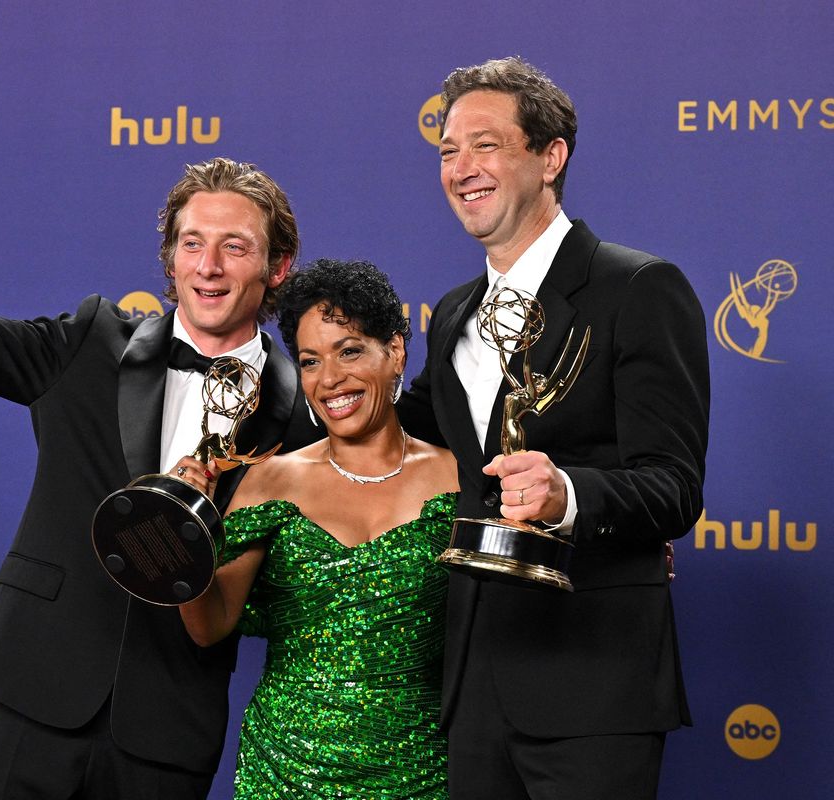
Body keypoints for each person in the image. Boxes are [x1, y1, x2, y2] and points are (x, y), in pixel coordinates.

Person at [0, 153, 320, 799]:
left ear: (278, 267)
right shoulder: (93, 343)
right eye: (192, 243)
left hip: (170, 725)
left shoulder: (302, 422)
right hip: (38, 689)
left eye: (234, 247)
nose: (208, 267)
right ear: (171, 258)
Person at [399, 57, 710, 799]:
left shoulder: (637, 288)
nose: (461, 168)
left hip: (591, 688)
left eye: (485, 145)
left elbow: (672, 487)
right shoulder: (451, 317)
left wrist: (566, 491)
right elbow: (395, 437)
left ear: (550, 156)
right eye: (447, 150)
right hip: (472, 685)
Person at [175, 259, 459, 798]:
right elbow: (208, 626)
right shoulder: (270, 481)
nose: (329, 379)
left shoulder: (459, 481)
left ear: (395, 351)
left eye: (349, 351)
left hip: (420, 773)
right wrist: (184, 539)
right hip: (284, 771)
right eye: (310, 361)